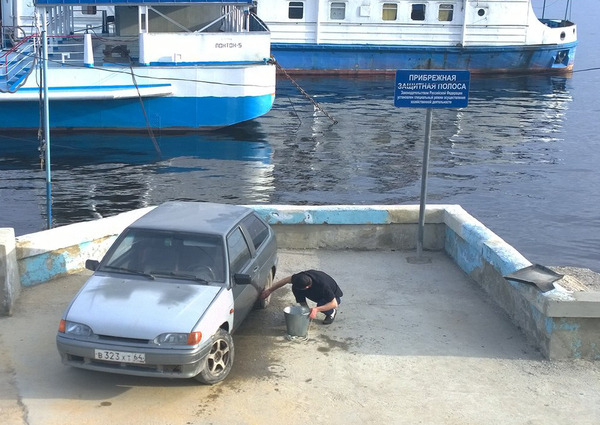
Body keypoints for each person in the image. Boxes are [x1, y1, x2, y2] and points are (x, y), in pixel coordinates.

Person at [260, 269, 343, 325]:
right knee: (296, 289)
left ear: (307, 287)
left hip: (333, 297)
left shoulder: (323, 285)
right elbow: (285, 281)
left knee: (321, 304)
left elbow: (334, 303)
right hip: (315, 292)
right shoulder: (299, 277)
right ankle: (306, 311)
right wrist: (269, 291)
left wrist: (316, 309)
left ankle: (331, 313)